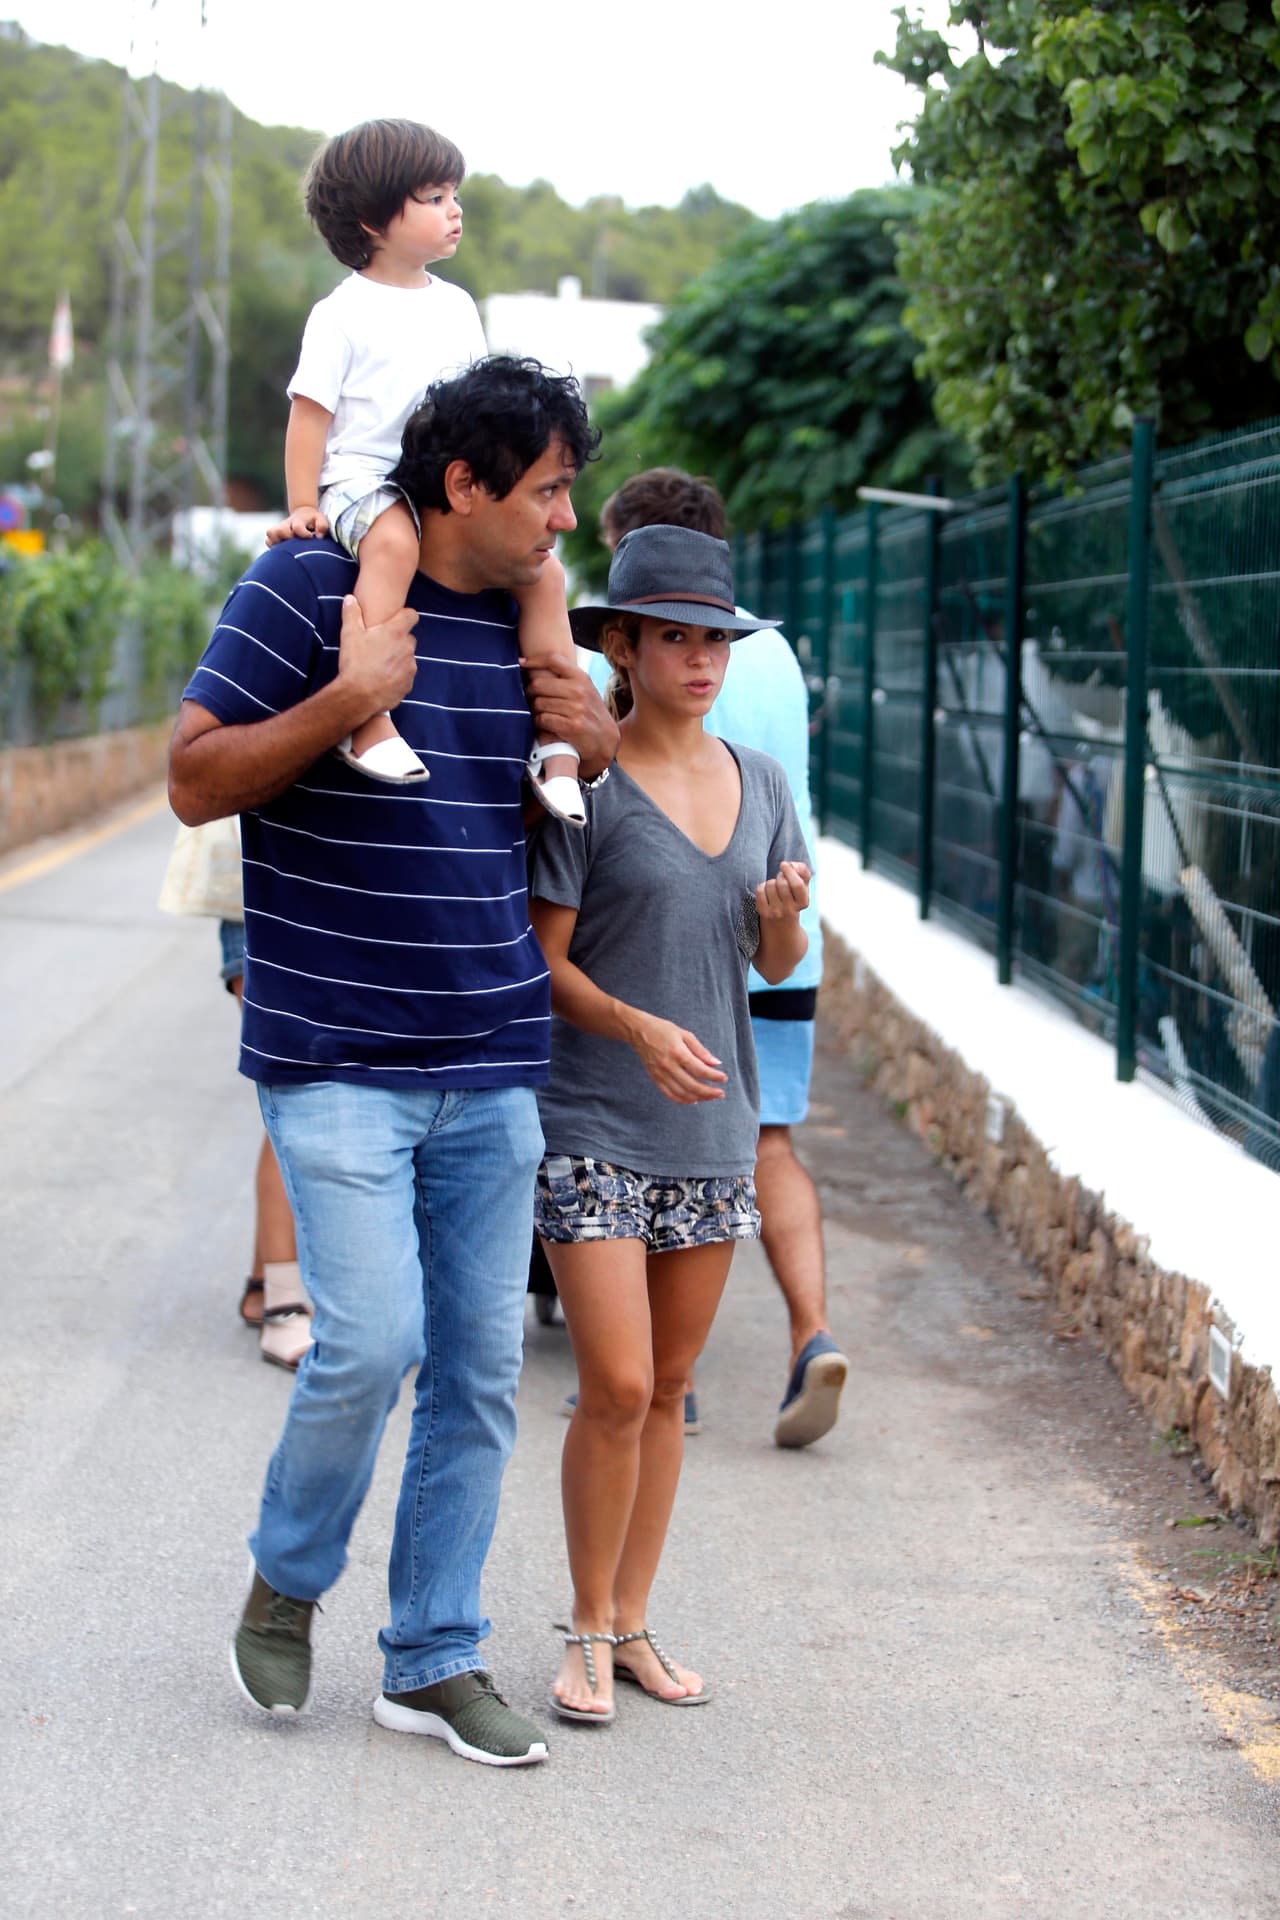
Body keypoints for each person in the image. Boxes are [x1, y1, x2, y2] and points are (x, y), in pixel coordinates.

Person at [168, 355, 616, 1768]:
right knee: (369, 1343)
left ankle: (431, 1654)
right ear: (466, 482)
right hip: (336, 1051)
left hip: (493, 1057)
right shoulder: (307, 593)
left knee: (483, 1370)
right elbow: (192, 776)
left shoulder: (529, 632)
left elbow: (561, 799)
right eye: (545, 491)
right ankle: (290, 1580)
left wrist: (589, 737)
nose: (561, 521)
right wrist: (341, 697)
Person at [530, 524, 811, 1723]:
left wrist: (781, 912)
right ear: (624, 650)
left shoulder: (762, 783)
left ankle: (633, 1623)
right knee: (616, 1380)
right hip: (589, 1115)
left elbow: (774, 959)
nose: (699, 660)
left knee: (668, 1386)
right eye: (674, 639)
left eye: (714, 640)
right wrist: (636, 1029)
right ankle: (582, 1628)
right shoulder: (580, 785)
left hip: (711, 1129)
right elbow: (543, 967)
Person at [589, 469, 849, 1449]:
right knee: (768, 1140)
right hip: (789, 924)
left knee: (640, 1146)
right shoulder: (773, 651)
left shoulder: (657, 661)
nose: (700, 658)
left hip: (676, 941)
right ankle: (808, 1329)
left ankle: (665, 1376)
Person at [265, 118, 584, 824]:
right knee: (394, 543)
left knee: (547, 574)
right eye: (434, 196)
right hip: (363, 480)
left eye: (454, 194)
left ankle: (557, 745)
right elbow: (310, 418)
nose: (454, 210)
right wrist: (299, 502)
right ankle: (368, 715)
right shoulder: (339, 315)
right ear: (373, 219)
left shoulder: (457, 306)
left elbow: (474, 408)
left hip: (437, 477)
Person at [219, 917, 312, 1370]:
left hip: (322, 906)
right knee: (298, 1088)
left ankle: (265, 1285)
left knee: (300, 1089)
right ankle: (283, 1302)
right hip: (264, 903)